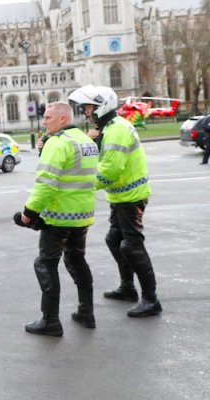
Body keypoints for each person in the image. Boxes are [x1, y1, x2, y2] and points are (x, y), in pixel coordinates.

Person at [68, 85, 162, 317]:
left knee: (131, 245)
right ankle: (128, 287)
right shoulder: (109, 128)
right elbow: (102, 159)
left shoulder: (117, 129)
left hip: (131, 198)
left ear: (102, 107)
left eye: (90, 107)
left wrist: (81, 185)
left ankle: (151, 300)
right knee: (114, 239)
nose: (87, 112)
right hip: (120, 197)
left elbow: (110, 169)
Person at [16, 102, 99, 336]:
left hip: (58, 218)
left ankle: (50, 320)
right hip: (82, 216)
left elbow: (46, 184)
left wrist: (28, 213)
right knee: (77, 260)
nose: (44, 121)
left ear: (62, 119)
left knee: (45, 264)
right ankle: (86, 312)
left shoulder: (58, 143)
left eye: (48, 117)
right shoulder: (85, 141)